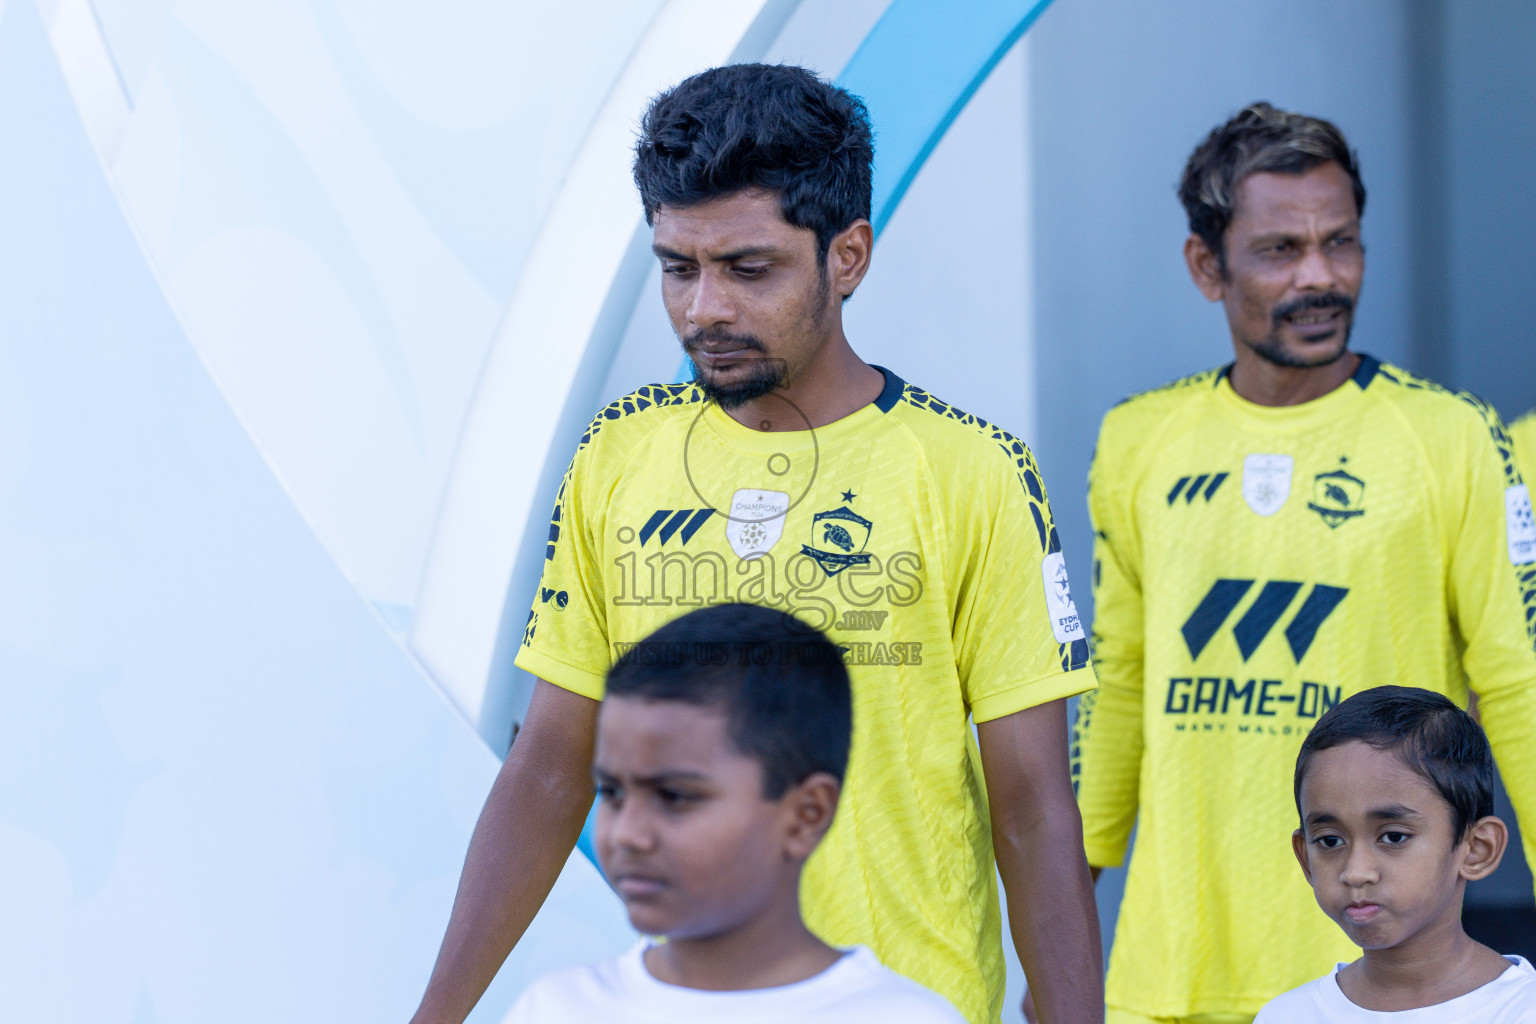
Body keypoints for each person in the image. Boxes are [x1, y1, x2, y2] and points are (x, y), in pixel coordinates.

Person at [412, 64, 1102, 1024]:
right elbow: (549, 764)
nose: (704, 311)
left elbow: (1031, 805)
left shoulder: (974, 471)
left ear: (848, 255)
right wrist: (434, 1014)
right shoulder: (619, 453)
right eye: (678, 267)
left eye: (748, 268)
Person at [1071, 102, 1536, 1023]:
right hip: (1171, 971)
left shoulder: (1452, 435)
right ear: (1208, 266)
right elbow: (1118, 683)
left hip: (1380, 976)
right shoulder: (1139, 438)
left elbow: (1516, 685)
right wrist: (1061, 934)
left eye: (1342, 243)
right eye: (1281, 250)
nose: (1320, 275)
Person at [502, 604, 967, 1023]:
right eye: (612, 792)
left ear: (807, 814)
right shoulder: (555, 1008)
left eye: (675, 797)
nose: (627, 834)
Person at [1254, 685, 1536, 1022]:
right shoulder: (1287, 1016)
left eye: (1393, 836)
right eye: (1330, 841)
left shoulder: (1521, 1009)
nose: (1356, 872)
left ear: (1476, 849)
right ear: (1305, 859)